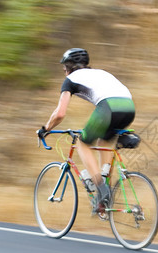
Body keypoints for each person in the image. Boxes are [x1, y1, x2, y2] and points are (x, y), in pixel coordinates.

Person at [38, 48, 135, 214]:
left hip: (109, 107)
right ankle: (104, 190)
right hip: (129, 107)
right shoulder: (100, 73)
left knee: (83, 144)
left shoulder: (70, 79)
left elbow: (60, 113)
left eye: (64, 66)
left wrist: (45, 129)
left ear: (69, 66)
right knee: (102, 141)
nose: (63, 70)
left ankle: (101, 188)